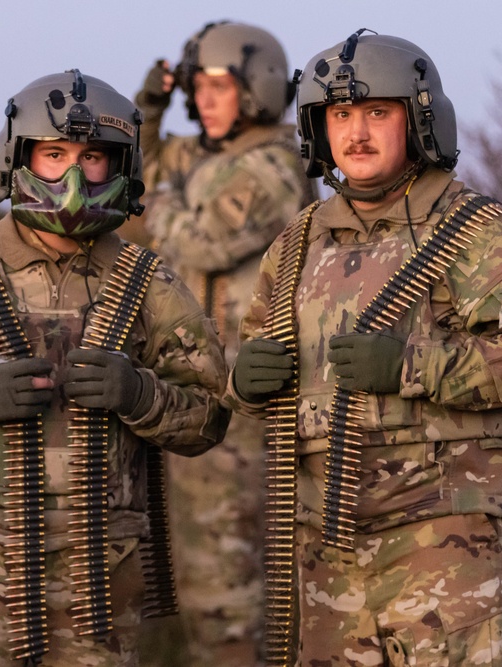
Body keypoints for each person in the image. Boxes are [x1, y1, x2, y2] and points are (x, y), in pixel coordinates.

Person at [224, 30, 502, 665]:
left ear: (419, 119)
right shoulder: (295, 245)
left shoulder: (487, 235)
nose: (356, 133)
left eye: (376, 112)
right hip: (324, 546)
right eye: (340, 115)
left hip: (445, 538)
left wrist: (412, 366)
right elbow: (265, 368)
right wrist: (243, 383)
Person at [0, 70, 230, 667]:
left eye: (91, 157)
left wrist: (140, 395)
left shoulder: (151, 284)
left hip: (100, 567)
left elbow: (210, 416)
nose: (71, 173)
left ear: (120, 168)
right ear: (18, 158)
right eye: (53, 152)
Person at [132, 20, 316, 666]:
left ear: (257, 89)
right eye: (197, 86)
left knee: (233, 581)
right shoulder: (197, 160)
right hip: (200, 395)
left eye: (220, 85)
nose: (204, 99)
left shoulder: (275, 165)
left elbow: (198, 238)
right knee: (204, 578)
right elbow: (135, 171)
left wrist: (158, 201)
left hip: (250, 403)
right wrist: (147, 113)